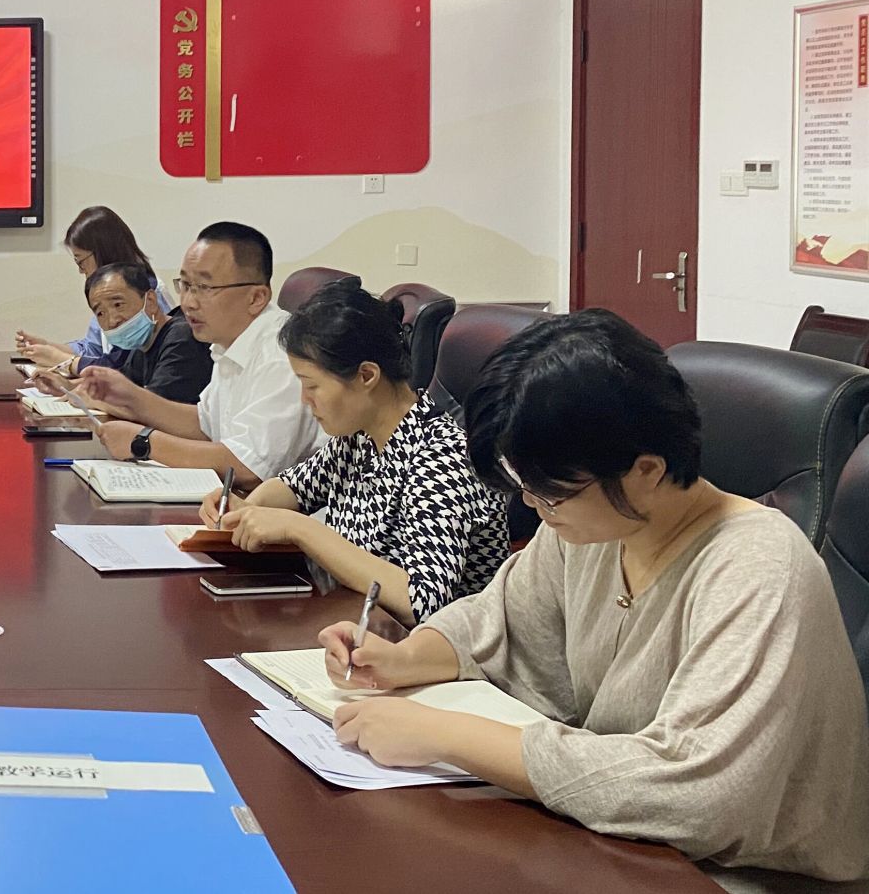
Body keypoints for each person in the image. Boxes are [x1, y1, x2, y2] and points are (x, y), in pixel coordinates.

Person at [322, 310, 869, 882]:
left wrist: (445, 734)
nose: (535, 509)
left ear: (646, 470)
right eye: (525, 489)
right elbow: (501, 621)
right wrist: (404, 658)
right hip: (620, 844)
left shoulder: (758, 565)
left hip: (739, 874)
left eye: (550, 495)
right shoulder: (597, 525)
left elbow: (698, 792)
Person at [198, 279, 506, 621]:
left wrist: (300, 529)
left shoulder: (442, 459)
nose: (305, 399)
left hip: (428, 643)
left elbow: (420, 601)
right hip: (358, 623)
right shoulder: (360, 437)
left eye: (312, 385)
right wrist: (245, 510)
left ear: (366, 376)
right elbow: (294, 488)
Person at [75, 222, 320, 487]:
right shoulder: (229, 341)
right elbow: (206, 425)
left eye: (204, 287)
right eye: (186, 285)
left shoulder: (281, 354)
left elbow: (248, 468)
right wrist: (130, 397)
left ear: (256, 298)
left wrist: (144, 442)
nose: (188, 303)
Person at [16, 205, 181, 373]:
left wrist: (58, 358)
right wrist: (47, 347)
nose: (81, 270)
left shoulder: (146, 292)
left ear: (103, 252)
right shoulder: (104, 297)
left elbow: (120, 365)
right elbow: (94, 349)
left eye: (80, 261)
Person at [81, 261, 210, 404]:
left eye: (118, 305)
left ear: (150, 301)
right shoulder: (142, 346)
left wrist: (89, 399)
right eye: (100, 313)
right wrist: (70, 387)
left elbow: (150, 407)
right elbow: (115, 389)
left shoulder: (182, 338)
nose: (112, 321)